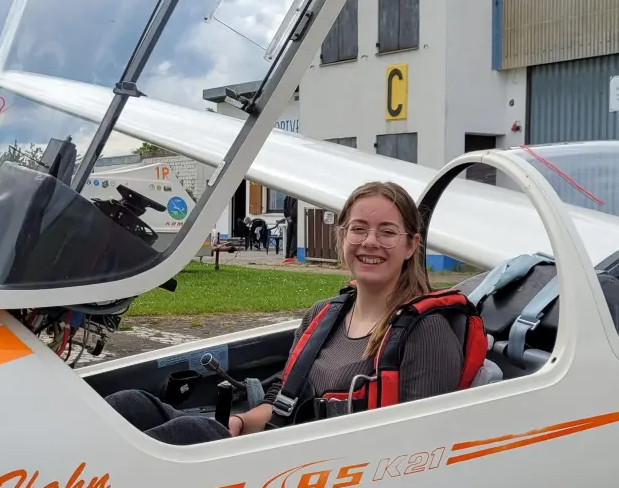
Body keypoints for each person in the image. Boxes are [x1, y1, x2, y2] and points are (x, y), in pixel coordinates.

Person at [105, 181, 465, 444]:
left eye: (387, 232)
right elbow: (282, 398)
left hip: (329, 474)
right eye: (358, 229)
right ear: (343, 237)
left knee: (188, 432)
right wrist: (242, 423)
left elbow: (422, 446)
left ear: (411, 245)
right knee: (131, 403)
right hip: (281, 445)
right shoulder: (323, 315)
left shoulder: (426, 332)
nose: (370, 242)